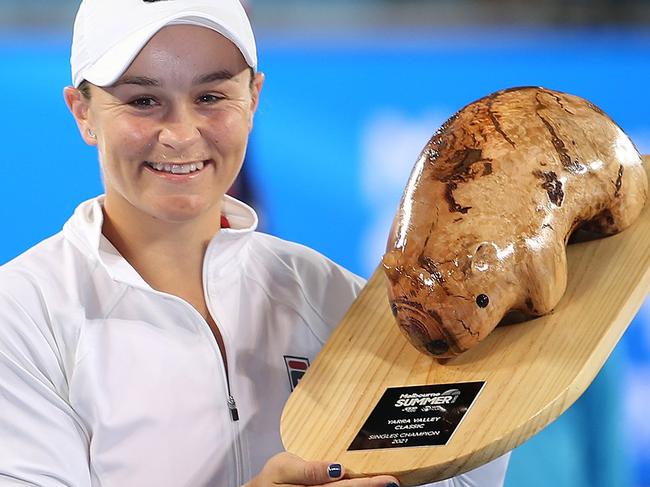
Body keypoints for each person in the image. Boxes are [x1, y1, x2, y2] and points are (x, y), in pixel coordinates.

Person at [0, 0, 510, 485]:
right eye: (143, 100)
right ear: (82, 112)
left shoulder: (333, 297)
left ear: (254, 98)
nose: (180, 134)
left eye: (210, 96)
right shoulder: (24, 316)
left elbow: (452, 475)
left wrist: (508, 343)